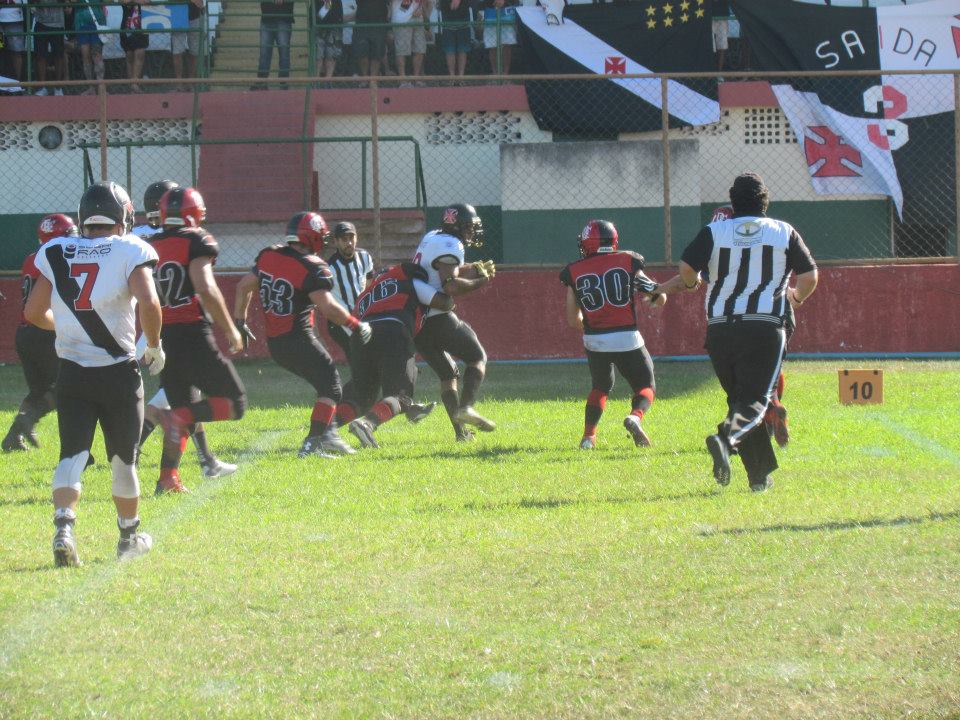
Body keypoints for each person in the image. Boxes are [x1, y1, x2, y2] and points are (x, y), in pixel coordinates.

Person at [24, 181, 163, 567]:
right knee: (123, 461)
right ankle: (128, 538)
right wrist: (154, 345)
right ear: (123, 216)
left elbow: (33, 313)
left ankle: (64, 529)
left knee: (71, 454)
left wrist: (71, 328)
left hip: (72, 372)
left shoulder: (56, 249)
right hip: (118, 373)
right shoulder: (130, 248)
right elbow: (149, 300)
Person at [674, 173, 818, 492]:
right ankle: (725, 438)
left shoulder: (714, 231)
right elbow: (809, 277)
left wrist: (691, 283)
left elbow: (686, 268)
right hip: (764, 325)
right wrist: (796, 297)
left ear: (733, 202)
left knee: (740, 400)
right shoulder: (783, 231)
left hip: (720, 328)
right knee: (755, 401)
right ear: (765, 201)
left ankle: (759, 477)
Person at [233, 212, 370, 458]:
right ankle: (313, 443)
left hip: (276, 344)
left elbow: (243, 287)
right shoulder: (311, 266)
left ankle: (328, 435)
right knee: (332, 387)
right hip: (298, 338)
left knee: (324, 385)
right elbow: (328, 308)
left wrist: (240, 321)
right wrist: (356, 325)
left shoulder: (270, 255)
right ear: (312, 237)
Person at [132, 180, 237, 479]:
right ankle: (130, 452)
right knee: (171, 403)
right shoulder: (173, 237)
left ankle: (205, 461)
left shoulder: (139, 236)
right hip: (162, 327)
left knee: (186, 397)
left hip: (150, 325)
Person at [559, 220, 665, 450]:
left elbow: (572, 319)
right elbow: (657, 294)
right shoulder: (628, 260)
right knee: (646, 384)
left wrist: (594, 330)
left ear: (588, 243)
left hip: (594, 339)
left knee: (600, 386)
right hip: (627, 337)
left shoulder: (574, 270)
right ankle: (635, 417)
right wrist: (658, 298)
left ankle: (588, 438)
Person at [337, 262, 453, 448]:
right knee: (401, 395)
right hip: (392, 331)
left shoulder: (366, 294)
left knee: (361, 396)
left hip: (360, 336)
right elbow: (443, 303)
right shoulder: (408, 282)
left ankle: (325, 430)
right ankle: (367, 424)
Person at [413, 203, 496, 442]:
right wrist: (481, 281)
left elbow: (445, 269)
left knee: (448, 374)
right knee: (477, 357)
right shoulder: (451, 244)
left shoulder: (433, 236)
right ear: (458, 226)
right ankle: (466, 407)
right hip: (436, 315)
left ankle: (461, 434)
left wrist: (474, 268)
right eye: (469, 226)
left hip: (417, 321)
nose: (471, 231)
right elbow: (450, 285)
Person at [711, 202, 788, 446]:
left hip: (741, 318)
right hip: (776, 312)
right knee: (766, 370)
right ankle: (771, 406)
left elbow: (692, 275)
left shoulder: (721, 243)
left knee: (745, 383)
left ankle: (736, 433)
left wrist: (662, 288)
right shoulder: (771, 235)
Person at [2, 214, 78, 452]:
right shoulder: (54, 259)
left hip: (26, 333)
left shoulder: (31, 258)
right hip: (46, 329)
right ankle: (28, 421)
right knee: (68, 386)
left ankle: (14, 437)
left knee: (38, 390)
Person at [32, 0, 68, 95]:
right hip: (40, 23)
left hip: (58, 24)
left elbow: (65, 3)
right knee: (40, 56)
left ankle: (58, 87)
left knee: (58, 55)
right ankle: (42, 87)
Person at [255, 0, 293, 88]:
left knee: (283, 53)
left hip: (280, 17)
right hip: (269, 17)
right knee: (265, 53)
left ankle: (282, 84)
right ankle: (264, 83)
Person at [391, 0, 429, 84]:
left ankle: (416, 78)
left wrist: (422, 10)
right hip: (402, 19)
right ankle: (402, 79)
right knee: (401, 50)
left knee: (420, 49)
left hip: (419, 18)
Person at [72, 0, 105, 95]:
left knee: (97, 55)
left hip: (97, 23)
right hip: (81, 24)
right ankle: (91, 87)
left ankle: (101, 87)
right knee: (85, 56)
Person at [171, 0, 204, 91]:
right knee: (177, 50)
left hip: (194, 16)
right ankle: (179, 83)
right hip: (177, 14)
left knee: (194, 50)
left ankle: (190, 82)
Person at [352, 0, 389, 79]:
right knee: (361, 53)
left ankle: (373, 80)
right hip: (361, 23)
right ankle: (365, 78)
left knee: (377, 54)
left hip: (379, 22)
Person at [479, 0, 516, 76]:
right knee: (492, 46)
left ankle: (505, 74)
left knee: (507, 45)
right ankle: (495, 74)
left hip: (506, 12)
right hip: (489, 12)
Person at [120, 0, 148, 93]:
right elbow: (124, 1)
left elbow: (147, 2)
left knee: (140, 53)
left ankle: (134, 84)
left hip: (142, 27)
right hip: (127, 26)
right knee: (129, 55)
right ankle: (131, 84)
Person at [438, 0, 470, 78]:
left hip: (463, 17)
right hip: (447, 18)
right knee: (449, 50)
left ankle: (461, 77)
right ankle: (451, 77)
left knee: (462, 49)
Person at [315, 0, 343, 79]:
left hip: (334, 25)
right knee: (318, 55)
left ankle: (328, 80)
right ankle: (315, 80)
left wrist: (328, 3)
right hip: (318, 27)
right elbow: (318, 16)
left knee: (331, 55)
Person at [0, 0, 25, 83]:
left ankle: (17, 82)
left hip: (14, 21)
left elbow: (24, 2)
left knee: (16, 51)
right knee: (0, 49)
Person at [712, 0, 728, 73]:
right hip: (709, 14)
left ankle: (719, 73)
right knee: (710, 44)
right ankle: (709, 71)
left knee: (722, 45)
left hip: (722, 15)